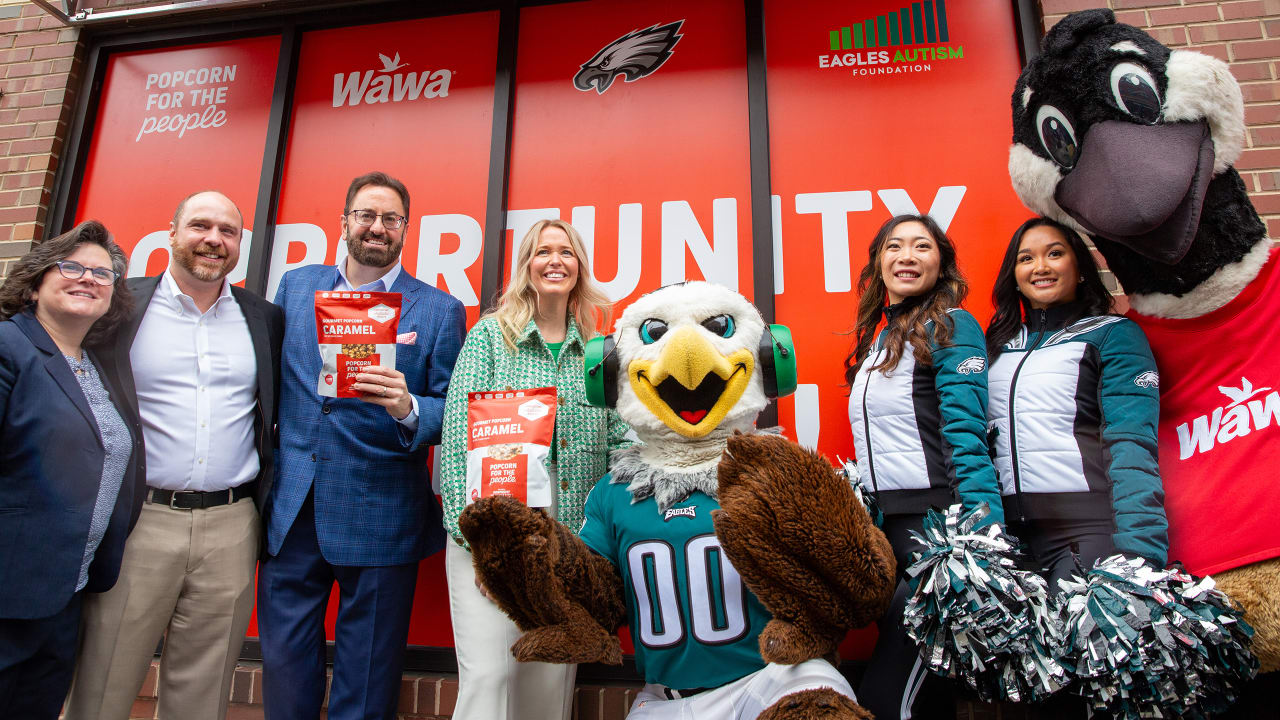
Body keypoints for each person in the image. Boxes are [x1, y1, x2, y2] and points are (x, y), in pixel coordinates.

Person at [65, 191, 285, 720]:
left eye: (228, 231)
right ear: (172, 232)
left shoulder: (264, 319)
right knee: (103, 683)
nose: (214, 240)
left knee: (202, 696)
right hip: (140, 520)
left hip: (233, 524)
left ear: (239, 244)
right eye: (201, 226)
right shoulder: (119, 305)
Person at [258, 171, 466, 720]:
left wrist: (410, 407)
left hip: (382, 509)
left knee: (368, 674)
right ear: (345, 221)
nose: (378, 228)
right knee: (283, 664)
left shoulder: (439, 310)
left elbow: (455, 408)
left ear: (405, 229)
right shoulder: (296, 287)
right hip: (294, 504)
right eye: (366, 216)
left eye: (391, 219)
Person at [438, 218, 631, 720]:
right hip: (490, 547)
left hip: (564, 548)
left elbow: (617, 446)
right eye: (543, 252)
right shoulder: (490, 338)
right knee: (490, 679)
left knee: (547, 690)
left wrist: (598, 546)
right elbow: (459, 444)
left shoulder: (598, 352)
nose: (555, 261)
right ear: (527, 265)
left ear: (579, 268)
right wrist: (482, 550)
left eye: (566, 252)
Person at [844, 213, 1002, 720]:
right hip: (889, 532)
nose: (906, 256)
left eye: (921, 247)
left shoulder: (952, 325)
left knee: (885, 700)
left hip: (937, 534)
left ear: (942, 264)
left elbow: (966, 434)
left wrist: (980, 538)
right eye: (894, 246)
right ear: (878, 262)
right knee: (927, 695)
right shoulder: (877, 339)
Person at [0, 221, 143, 719]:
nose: (87, 278)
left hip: (64, 595)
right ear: (37, 280)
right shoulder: (8, 347)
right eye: (72, 267)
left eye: (102, 274)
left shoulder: (91, 364)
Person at [984, 217, 1166, 586]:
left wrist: (1140, 553)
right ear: (1014, 275)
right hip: (1009, 545)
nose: (1041, 267)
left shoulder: (1112, 335)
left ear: (1080, 267)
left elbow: (1132, 445)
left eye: (1055, 253)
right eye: (1026, 258)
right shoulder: (994, 346)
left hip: (1086, 535)